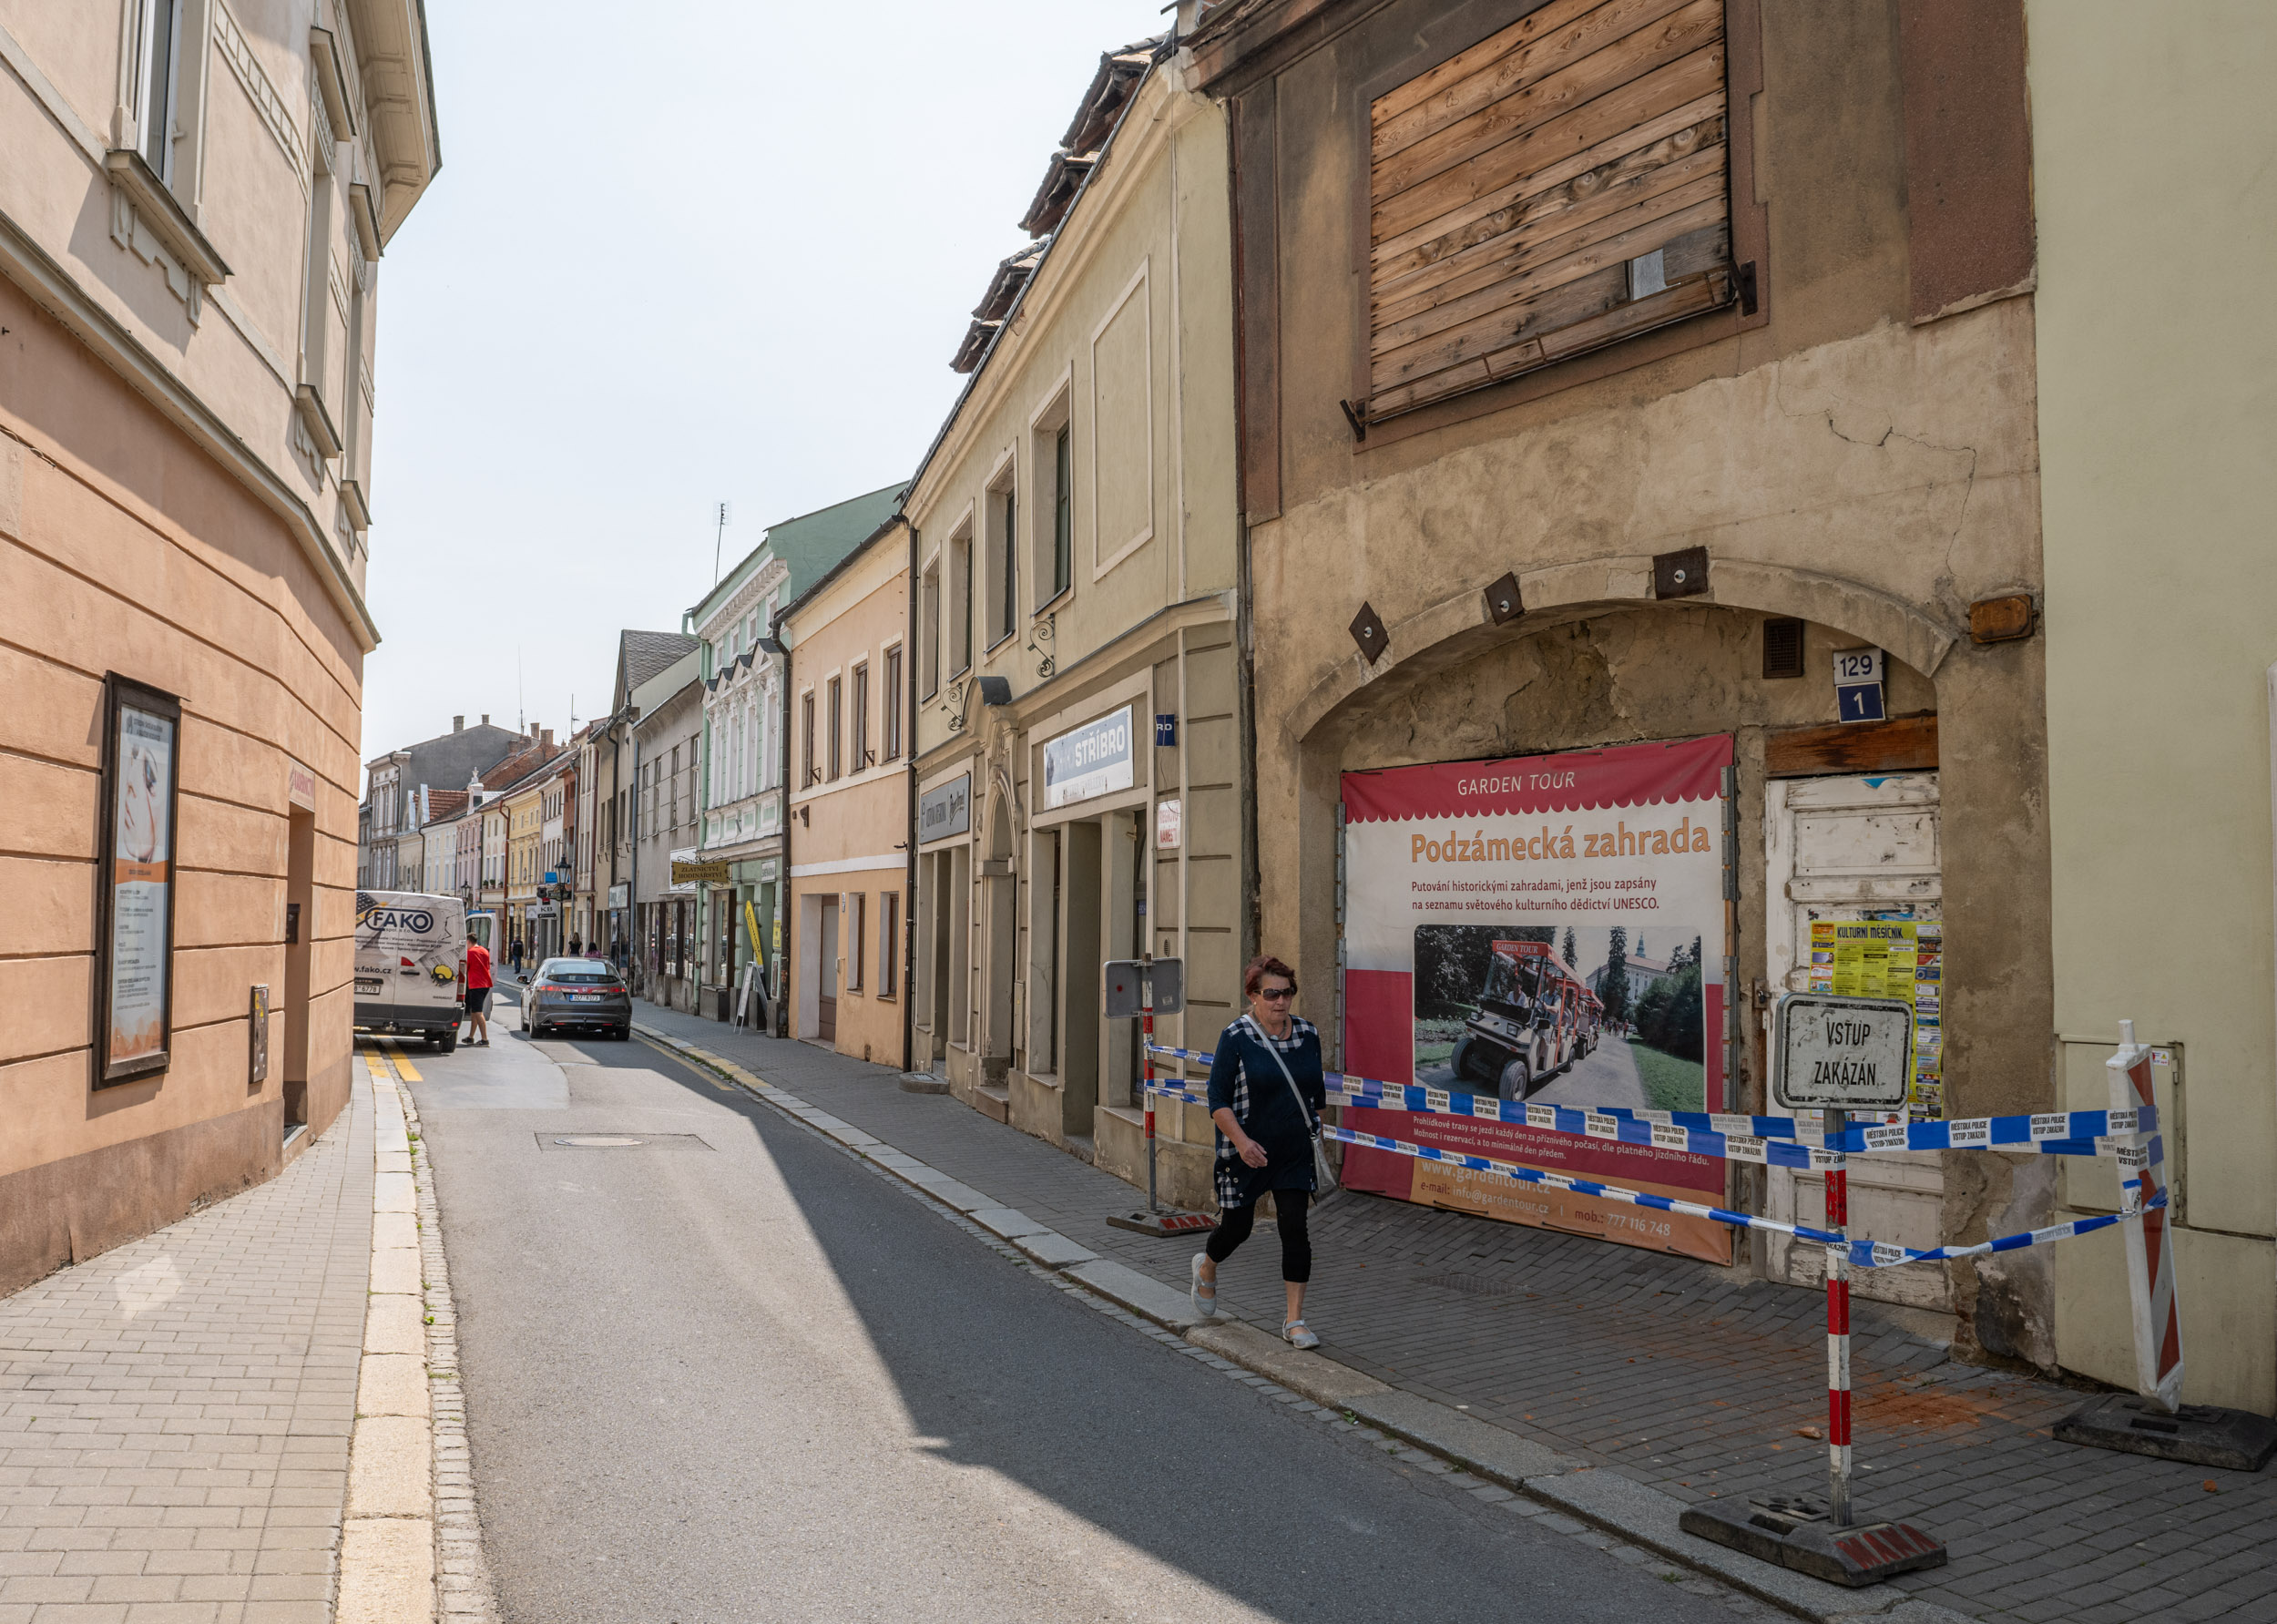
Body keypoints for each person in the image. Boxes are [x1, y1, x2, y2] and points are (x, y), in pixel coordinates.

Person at [1192, 955, 1328, 1349]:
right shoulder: (1236, 1036)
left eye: (1287, 993)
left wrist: (1317, 1136)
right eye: (1272, 994)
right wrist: (1241, 1142)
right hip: (1247, 1152)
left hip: (1292, 1153)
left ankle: (1294, 1320)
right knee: (1238, 1229)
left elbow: (1316, 1094)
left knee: (1294, 1229)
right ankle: (1207, 1267)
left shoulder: (1307, 1033)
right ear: (1253, 995)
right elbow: (1216, 1098)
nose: (1281, 1001)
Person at [464, 936, 494, 1047]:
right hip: (485, 983)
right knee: (474, 1011)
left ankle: (485, 1039)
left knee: (478, 1012)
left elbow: (466, 968)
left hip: (476, 984)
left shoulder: (470, 952)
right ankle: (470, 1037)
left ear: (468, 941)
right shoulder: (484, 950)